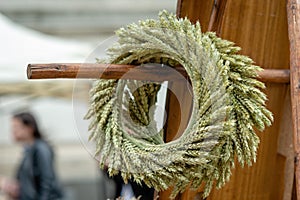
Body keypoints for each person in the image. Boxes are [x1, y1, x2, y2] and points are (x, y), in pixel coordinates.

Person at [0, 112, 64, 200]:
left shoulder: (41, 149)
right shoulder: (28, 150)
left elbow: (47, 182)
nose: (13, 131)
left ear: (29, 128)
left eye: (16, 127)